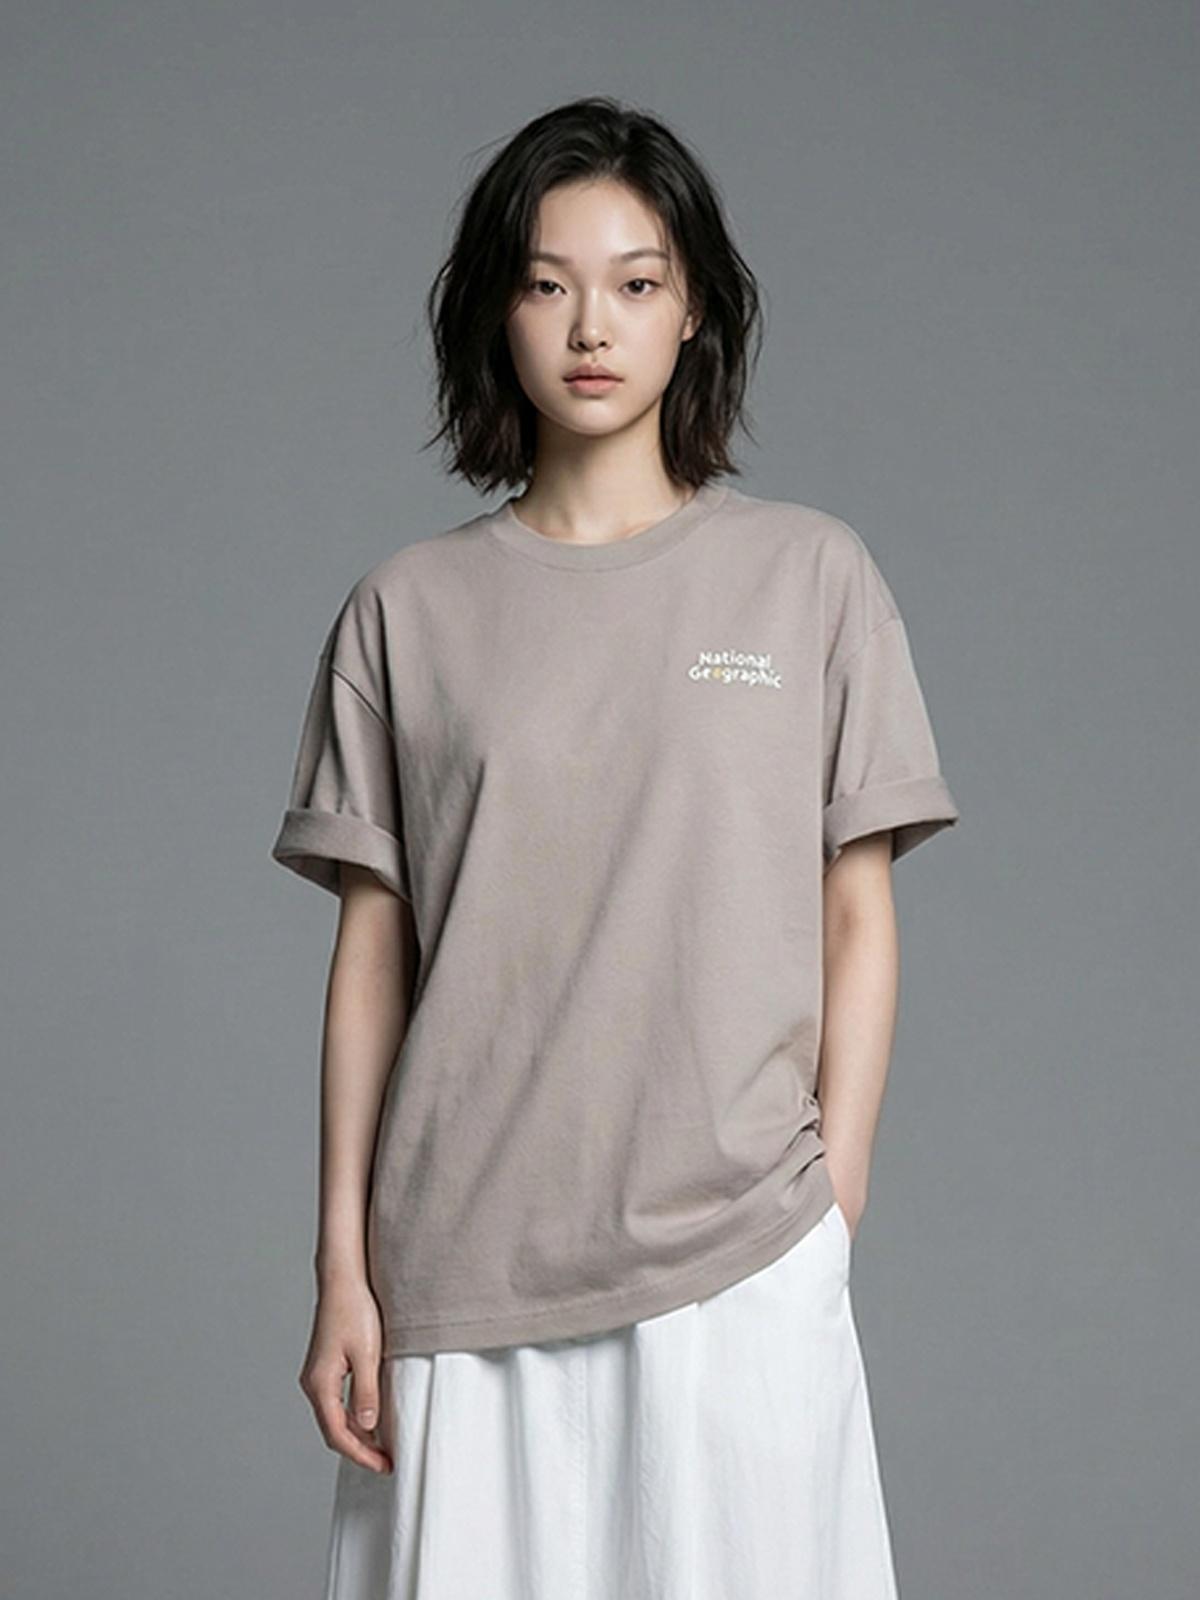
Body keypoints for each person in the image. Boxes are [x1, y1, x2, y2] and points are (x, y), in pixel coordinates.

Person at [270, 94, 960, 1600]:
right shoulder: (405, 612)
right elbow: (374, 954)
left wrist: (830, 1207)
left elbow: (856, 911)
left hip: (737, 1256)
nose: (593, 325)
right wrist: (342, 1267)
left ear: (692, 306)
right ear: (496, 310)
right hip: (459, 1268)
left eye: (636, 282)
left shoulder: (811, 578)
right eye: (547, 282)